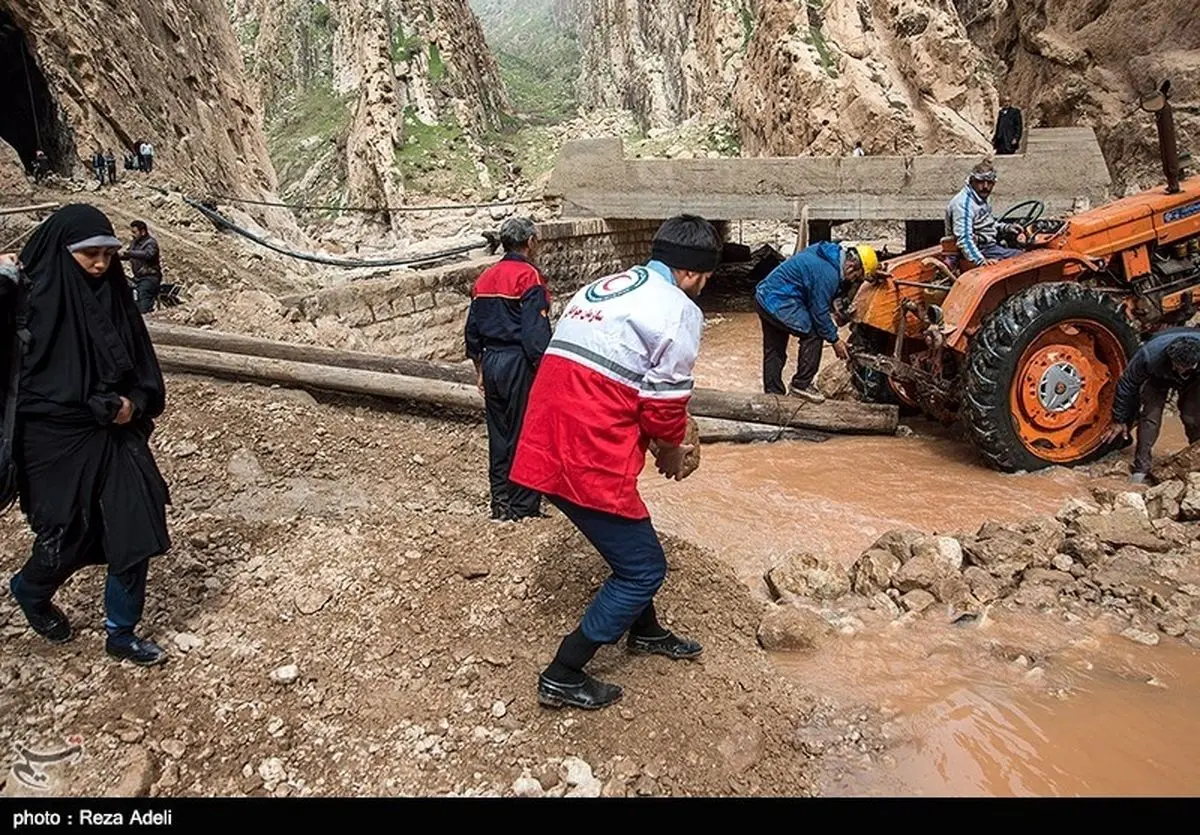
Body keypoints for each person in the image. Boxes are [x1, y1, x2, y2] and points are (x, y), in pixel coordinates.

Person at [508, 214, 722, 711]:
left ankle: (644, 632)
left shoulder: (603, 286)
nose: (702, 289)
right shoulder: (678, 310)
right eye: (706, 279)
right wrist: (673, 447)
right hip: (587, 451)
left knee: (632, 535)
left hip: (546, 435)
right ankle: (564, 670)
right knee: (644, 569)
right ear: (692, 274)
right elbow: (663, 406)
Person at [0, 204, 171, 666]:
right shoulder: (27, 302)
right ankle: (31, 590)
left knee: (135, 523)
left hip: (115, 435)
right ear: (62, 253)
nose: (100, 264)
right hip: (51, 442)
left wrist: (131, 405)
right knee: (67, 536)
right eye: (88, 255)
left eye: (107, 254)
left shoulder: (114, 299)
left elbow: (141, 368)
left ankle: (121, 632)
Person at [464, 217, 552, 522]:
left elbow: (472, 331)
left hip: (491, 361)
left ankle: (499, 503)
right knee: (526, 433)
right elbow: (534, 333)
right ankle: (523, 507)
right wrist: (545, 372)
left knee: (499, 435)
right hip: (519, 362)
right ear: (529, 242)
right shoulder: (529, 277)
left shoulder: (485, 278)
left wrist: (479, 371)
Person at [753, 241, 878, 401]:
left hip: (765, 297)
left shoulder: (829, 254)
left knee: (774, 349)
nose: (853, 280)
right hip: (780, 301)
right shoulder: (828, 274)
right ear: (852, 266)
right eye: (856, 277)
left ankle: (773, 396)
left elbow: (817, 293)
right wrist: (835, 340)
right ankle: (801, 385)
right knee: (814, 333)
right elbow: (819, 313)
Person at [1102, 328, 1200, 483]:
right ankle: (1141, 469)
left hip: (1195, 379)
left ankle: (1196, 457)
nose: (1180, 370)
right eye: (1177, 365)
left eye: (1185, 367)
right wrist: (1119, 419)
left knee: (1192, 417)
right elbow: (1127, 384)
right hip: (1158, 376)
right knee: (1150, 419)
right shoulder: (1149, 355)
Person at [944, 160, 1024, 268]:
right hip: (980, 249)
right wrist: (980, 260)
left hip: (988, 244)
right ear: (972, 181)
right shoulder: (963, 204)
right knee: (1023, 257)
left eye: (989, 183)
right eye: (980, 182)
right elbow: (964, 239)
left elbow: (986, 223)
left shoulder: (979, 198)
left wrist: (1006, 227)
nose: (985, 186)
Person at [120, 220, 161, 313]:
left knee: (143, 303)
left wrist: (130, 253)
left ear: (143, 232)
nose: (132, 235)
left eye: (134, 232)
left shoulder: (151, 243)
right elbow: (127, 255)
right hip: (138, 277)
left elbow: (149, 254)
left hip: (149, 277)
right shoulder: (134, 243)